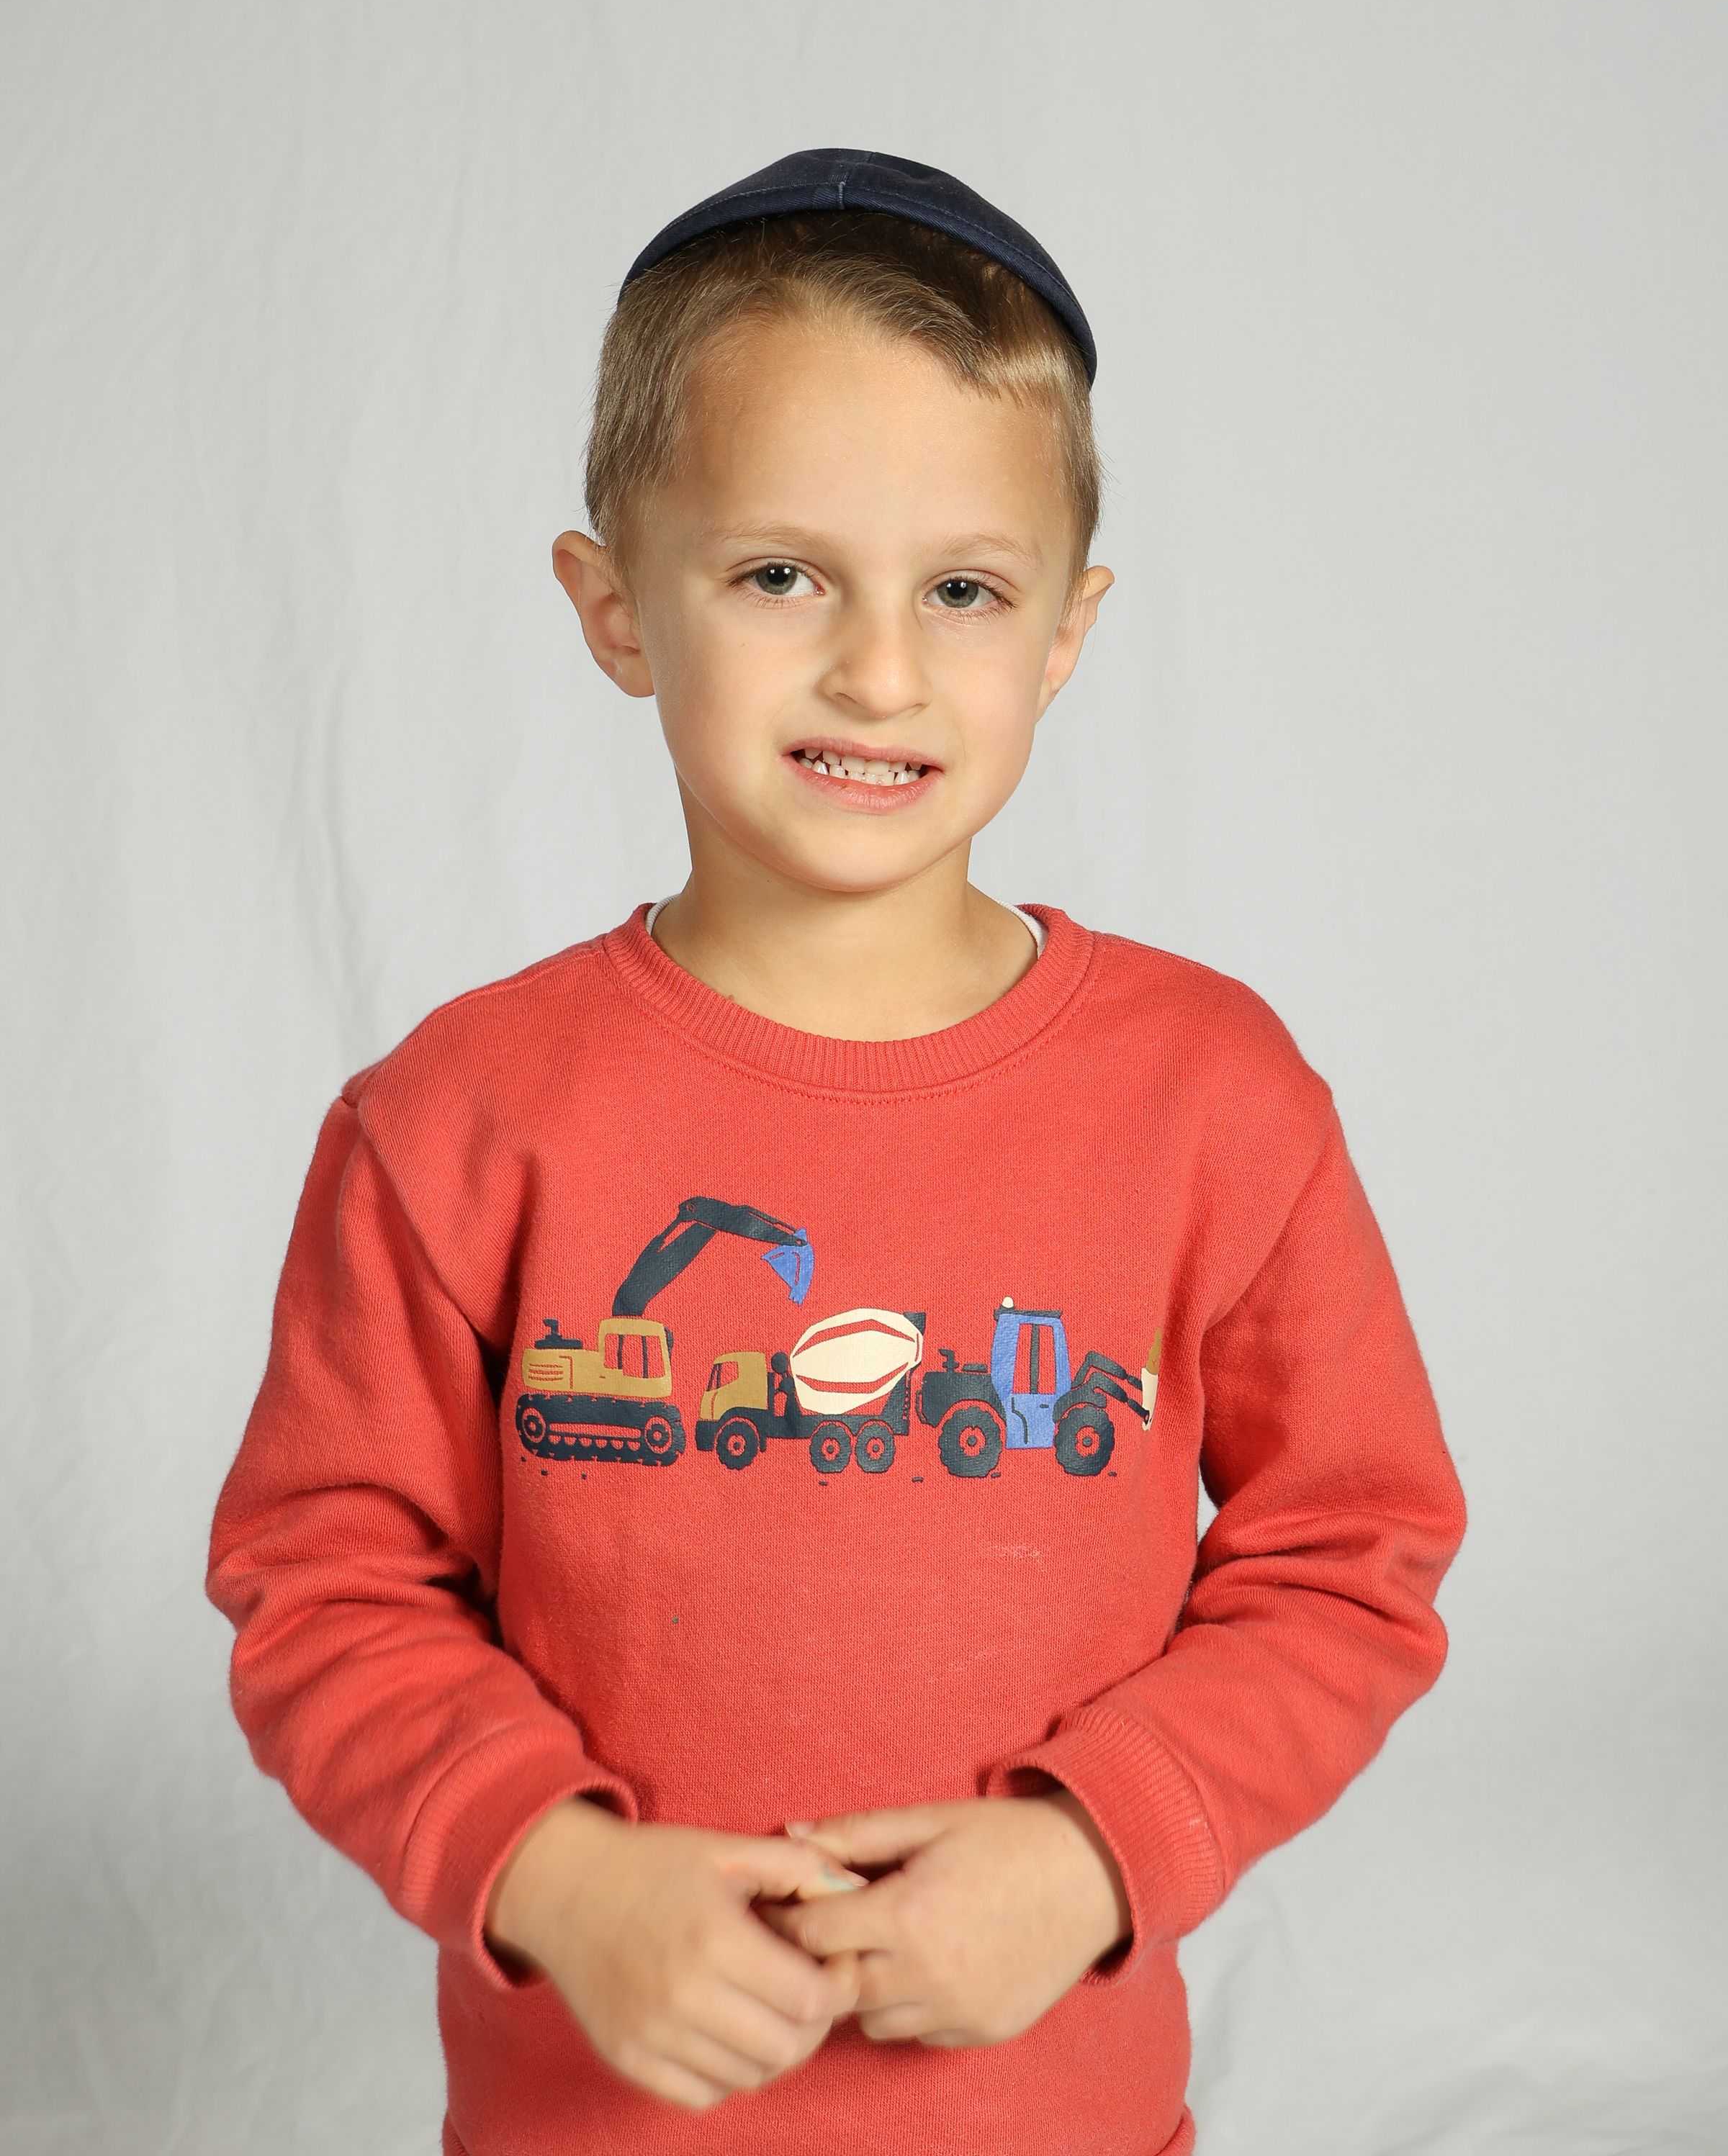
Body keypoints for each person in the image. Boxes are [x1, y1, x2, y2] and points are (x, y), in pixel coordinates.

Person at [207, 148, 1466, 2156]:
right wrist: (555, 1871)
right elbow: (326, 1583)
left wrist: (1094, 1851)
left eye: (964, 590)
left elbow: (1350, 1559)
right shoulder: (456, 1117)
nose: (881, 669)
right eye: (780, 575)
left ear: (1066, 633)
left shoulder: (1215, 1097)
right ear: (614, 606)